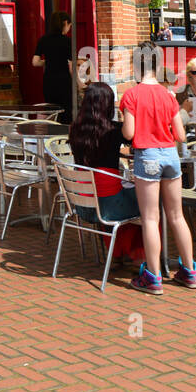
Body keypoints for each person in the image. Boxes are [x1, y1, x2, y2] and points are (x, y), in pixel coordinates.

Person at [120, 42, 196, 293]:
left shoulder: (131, 95)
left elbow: (129, 133)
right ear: (157, 64)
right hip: (171, 156)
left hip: (148, 157)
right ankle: (189, 272)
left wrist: (125, 125)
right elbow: (182, 135)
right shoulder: (168, 94)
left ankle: (153, 276)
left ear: (136, 65)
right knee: (176, 216)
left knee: (150, 218)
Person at [69, 82, 143, 264]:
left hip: (84, 203)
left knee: (122, 193)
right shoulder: (113, 130)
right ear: (108, 105)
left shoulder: (74, 129)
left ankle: (117, 253)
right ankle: (140, 257)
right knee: (148, 202)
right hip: (107, 206)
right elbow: (133, 135)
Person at [32, 11, 73, 124]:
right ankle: (65, 139)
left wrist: (48, 61)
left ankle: (51, 138)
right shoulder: (67, 41)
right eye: (69, 26)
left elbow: (35, 62)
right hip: (64, 82)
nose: (69, 29)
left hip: (49, 82)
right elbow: (71, 65)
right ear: (65, 23)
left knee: (51, 113)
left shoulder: (43, 39)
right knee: (66, 114)